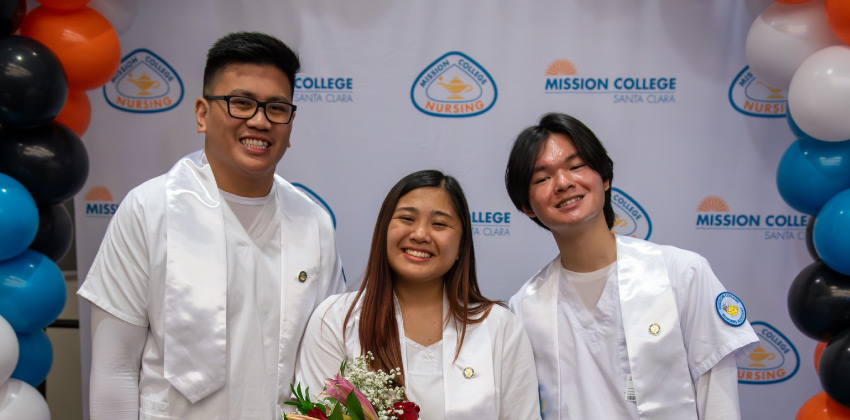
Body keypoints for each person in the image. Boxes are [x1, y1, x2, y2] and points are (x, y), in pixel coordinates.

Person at [78, 32, 345, 420]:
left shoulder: (314, 223)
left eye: (276, 108)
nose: (259, 120)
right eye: (241, 103)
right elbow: (114, 368)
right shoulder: (150, 209)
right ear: (202, 113)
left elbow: (328, 360)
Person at [505, 113, 759, 420]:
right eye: (542, 178)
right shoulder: (526, 306)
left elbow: (719, 399)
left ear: (605, 176)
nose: (563, 183)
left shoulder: (681, 273)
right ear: (526, 207)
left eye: (576, 167)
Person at [296, 170, 541, 420]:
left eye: (439, 224)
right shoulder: (336, 320)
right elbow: (315, 413)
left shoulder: (499, 327)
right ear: (383, 230)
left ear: (461, 245)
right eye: (407, 218)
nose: (420, 234)